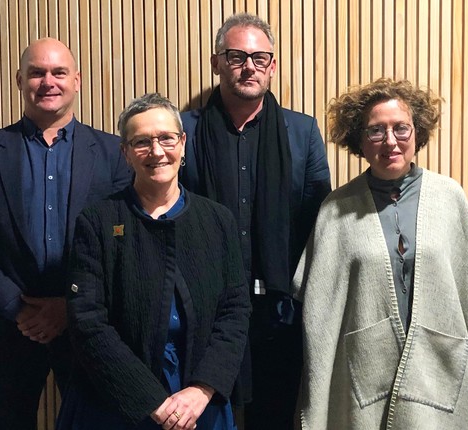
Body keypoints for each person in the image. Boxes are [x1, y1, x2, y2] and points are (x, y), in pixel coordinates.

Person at [0, 38, 130, 429]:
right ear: (20, 80)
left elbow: (123, 242)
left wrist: (69, 306)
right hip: (3, 329)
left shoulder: (114, 152)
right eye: (37, 72)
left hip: (89, 330)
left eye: (59, 72)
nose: (48, 81)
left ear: (77, 81)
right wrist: (18, 308)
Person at [292, 78, 468, 429]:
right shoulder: (337, 208)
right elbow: (318, 309)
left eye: (401, 128)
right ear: (359, 140)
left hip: (440, 375)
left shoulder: (449, 198)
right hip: (363, 380)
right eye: (376, 131)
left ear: (417, 132)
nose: (391, 141)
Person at [57, 93, 251, 430]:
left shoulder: (218, 220)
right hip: (117, 399)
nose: (157, 151)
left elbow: (234, 312)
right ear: (126, 153)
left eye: (166, 138)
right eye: (142, 142)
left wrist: (203, 390)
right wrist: (150, 400)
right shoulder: (97, 221)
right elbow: (88, 321)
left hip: (199, 399)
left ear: (183, 143)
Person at [179, 13, 332, 430]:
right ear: (216, 63)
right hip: (205, 307)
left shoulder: (301, 131)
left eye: (260, 57)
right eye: (237, 56)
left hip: (280, 310)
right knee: (207, 416)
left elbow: (318, 219)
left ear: (273, 66)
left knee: (275, 417)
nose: (249, 66)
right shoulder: (181, 132)